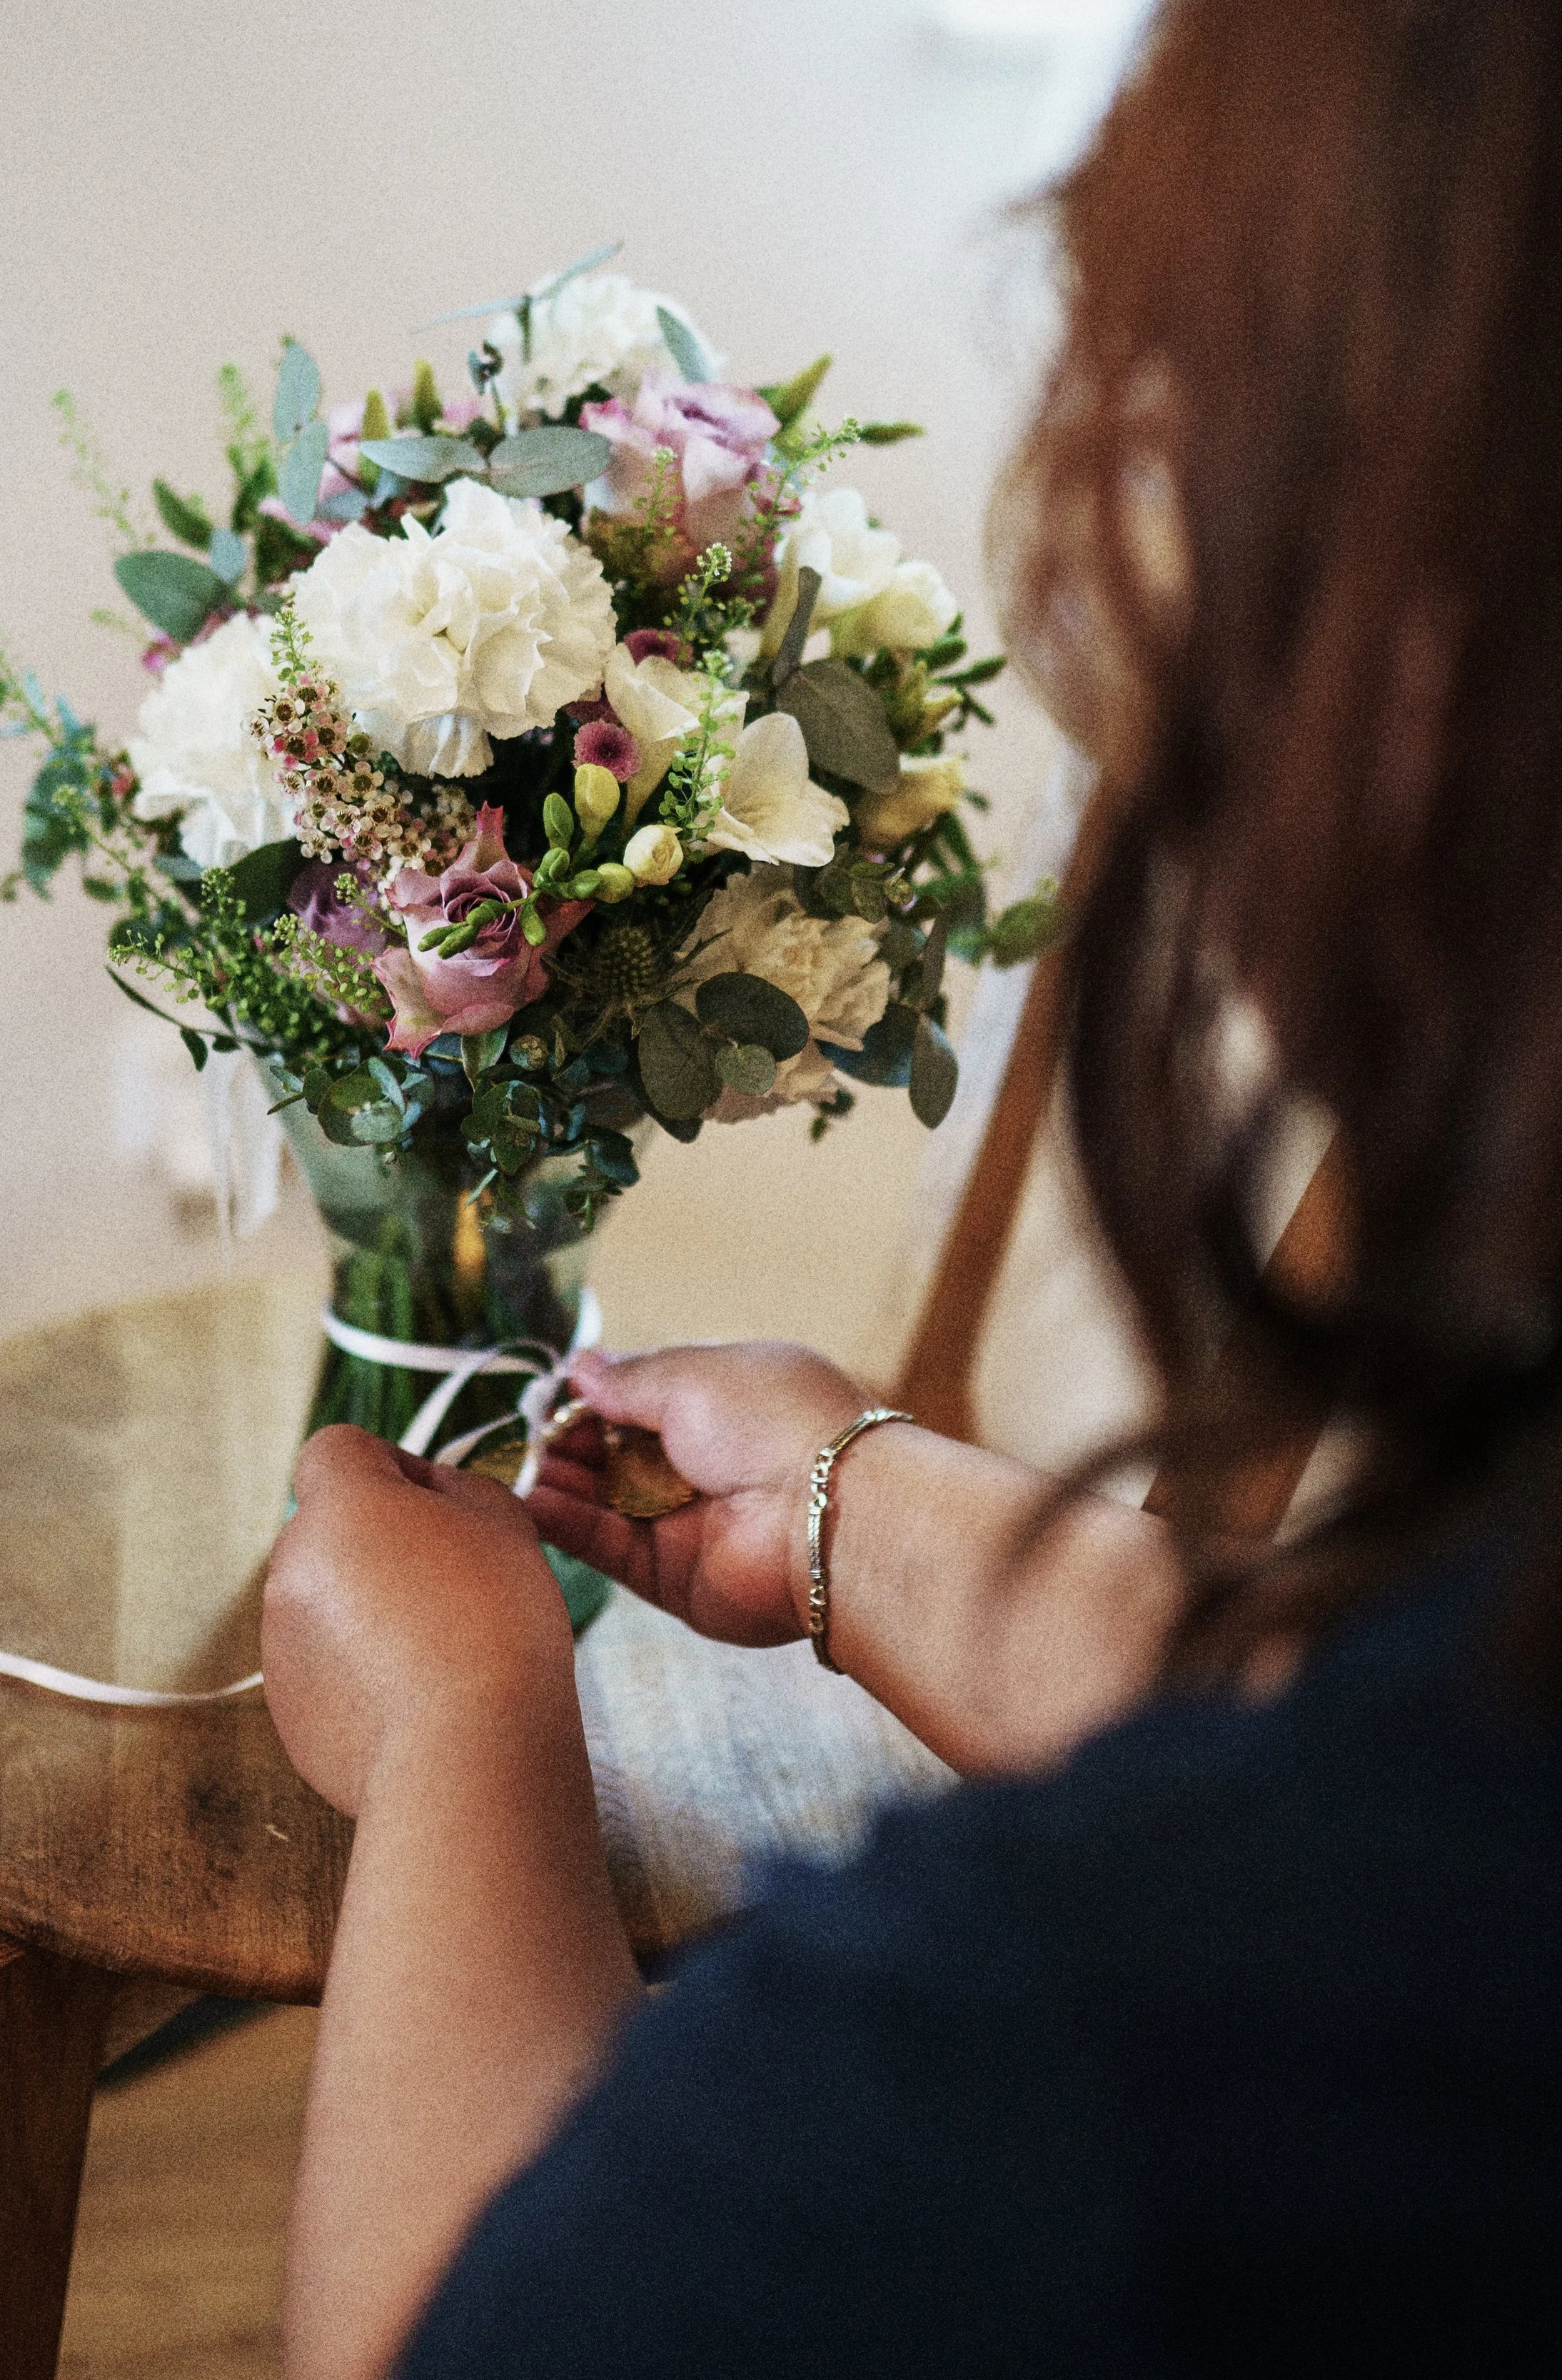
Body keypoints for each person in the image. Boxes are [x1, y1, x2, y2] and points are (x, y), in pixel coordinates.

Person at [260, 1, 1562, 2370]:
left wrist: (463, 1730)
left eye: (1176, 422)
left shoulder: (1062, 2067)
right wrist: (866, 1507)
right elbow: (1405, 1716)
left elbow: (460, 2334)